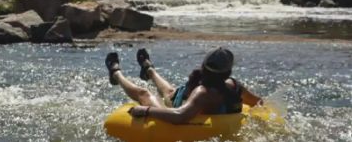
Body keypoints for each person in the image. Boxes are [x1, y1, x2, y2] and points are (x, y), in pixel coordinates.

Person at [105, 47, 263, 124]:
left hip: (184, 100)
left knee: (162, 93)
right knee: (152, 94)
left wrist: (146, 110)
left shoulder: (203, 92)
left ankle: (148, 70)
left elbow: (180, 116)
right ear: (228, 71)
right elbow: (259, 102)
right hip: (185, 101)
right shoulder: (235, 86)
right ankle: (117, 74)